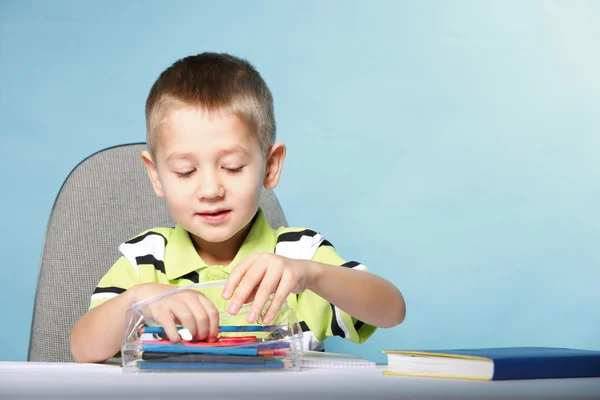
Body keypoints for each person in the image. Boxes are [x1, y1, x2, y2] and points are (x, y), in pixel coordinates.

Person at [70, 52, 406, 363]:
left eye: (232, 167)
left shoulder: (298, 254)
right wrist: (139, 299)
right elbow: (83, 349)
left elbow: (392, 311)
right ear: (156, 175)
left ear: (271, 166)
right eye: (186, 172)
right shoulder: (146, 259)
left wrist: (311, 274)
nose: (211, 190)